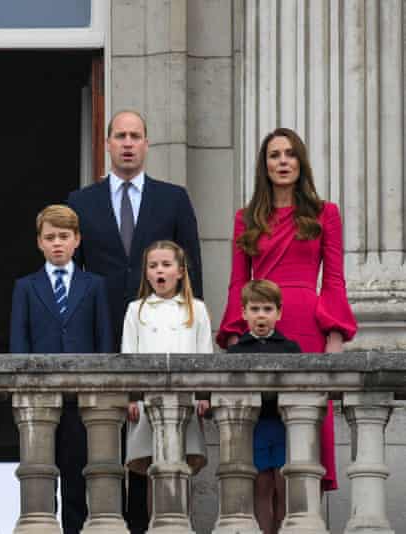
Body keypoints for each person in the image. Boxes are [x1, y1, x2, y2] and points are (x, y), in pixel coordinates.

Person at [67, 109, 202, 533]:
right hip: (101, 333)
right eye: (120, 136)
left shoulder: (173, 198)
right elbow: (73, 277)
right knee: (94, 440)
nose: (128, 143)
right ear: (107, 143)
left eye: (135, 136)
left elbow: (193, 274)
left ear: (146, 144)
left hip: (160, 336)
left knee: (151, 441)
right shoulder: (81, 202)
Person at [216, 128, 358, 492]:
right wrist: (234, 335)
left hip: (308, 327)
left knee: (306, 428)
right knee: (262, 437)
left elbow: (334, 280)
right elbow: (237, 282)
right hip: (259, 330)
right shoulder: (245, 218)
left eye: (290, 154)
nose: (283, 162)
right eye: (275, 155)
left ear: (301, 162)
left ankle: (305, 514)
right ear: (264, 165)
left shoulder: (326, 213)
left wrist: (335, 336)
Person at [9, 204, 112, 534]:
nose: (57, 243)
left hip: (82, 399)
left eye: (64, 236)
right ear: (39, 242)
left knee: (77, 474)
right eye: (50, 237)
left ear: (77, 240)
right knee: (39, 475)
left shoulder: (94, 285)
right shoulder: (26, 287)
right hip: (39, 398)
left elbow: (104, 341)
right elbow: (19, 343)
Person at [121, 240, 210, 523]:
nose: (159, 270)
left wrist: (203, 395)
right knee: (153, 469)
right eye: (153, 265)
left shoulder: (196, 309)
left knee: (182, 467)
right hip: (148, 402)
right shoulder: (136, 309)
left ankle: (182, 524)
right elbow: (128, 356)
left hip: (186, 401)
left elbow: (205, 355)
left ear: (180, 271)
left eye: (166, 264)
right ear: (146, 273)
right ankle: (156, 525)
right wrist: (132, 397)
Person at [227, 279, 301, 534]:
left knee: (284, 486)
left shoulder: (291, 349)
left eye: (267, 309)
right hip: (254, 429)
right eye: (255, 309)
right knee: (261, 487)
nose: (261, 315)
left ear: (279, 313)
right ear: (244, 313)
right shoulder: (236, 352)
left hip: (284, 428)